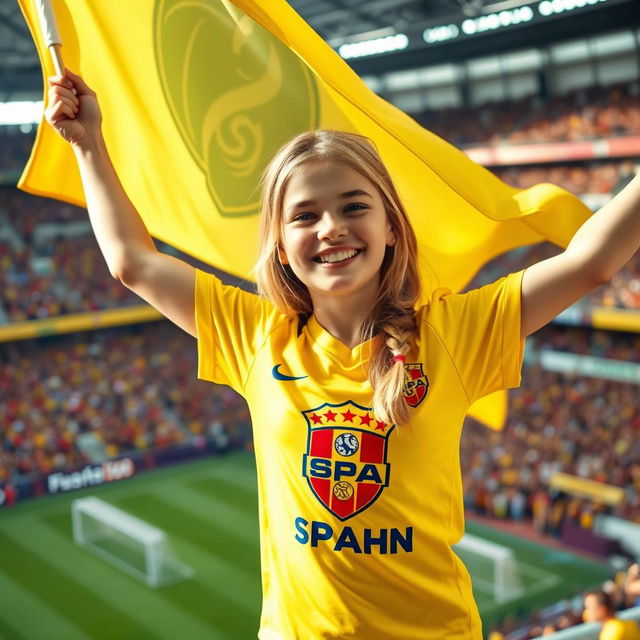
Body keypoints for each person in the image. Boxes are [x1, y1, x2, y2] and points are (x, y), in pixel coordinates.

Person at [44, 66, 640, 639]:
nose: (331, 227)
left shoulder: (455, 333)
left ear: (391, 228)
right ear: (279, 244)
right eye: (305, 215)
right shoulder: (254, 333)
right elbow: (131, 263)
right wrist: (89, 143)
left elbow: (590, 262)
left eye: (355, 206)